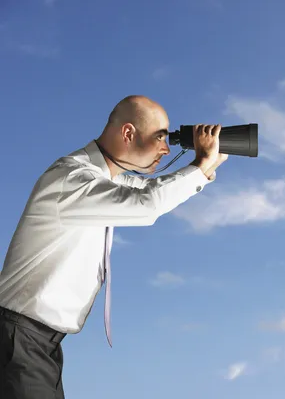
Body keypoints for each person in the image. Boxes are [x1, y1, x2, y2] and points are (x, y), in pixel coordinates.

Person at [0, 95, 228, 398]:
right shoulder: (72, 177)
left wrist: (204, 169)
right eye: (161, 137)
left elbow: (148, 189)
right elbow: (147, 205)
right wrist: (199, 166)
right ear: (129, 133)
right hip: (18, 337)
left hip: (39, 343)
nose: (166, 148)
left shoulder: (101, 179)